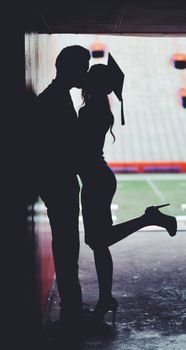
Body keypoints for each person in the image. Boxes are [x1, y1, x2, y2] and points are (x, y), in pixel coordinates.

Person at [77, 61, 177, 326]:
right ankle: (105, 298)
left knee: (99, 241)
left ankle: (150, 218)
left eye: (89, 77)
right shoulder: (99, 110)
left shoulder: (88, 111)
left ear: (94, 84)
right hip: (98, 178)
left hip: (95, 180)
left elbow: (78, 150)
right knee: (99, 244)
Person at [36, 45, 90, 328]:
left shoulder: (56, 96)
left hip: (57, 181)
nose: (87, 71)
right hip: (59, 182)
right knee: (68, 246)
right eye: (84, 66)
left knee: (68, 245)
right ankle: (72, 309)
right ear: (69, 68)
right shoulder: (54, 100)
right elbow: (63, 146)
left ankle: (73, 305)